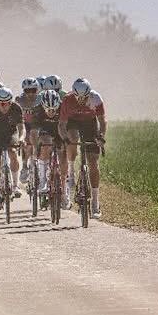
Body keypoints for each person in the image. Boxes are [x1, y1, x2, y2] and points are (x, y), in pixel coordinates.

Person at [58, 78, 106, 217]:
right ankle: (71, 170)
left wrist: (101, 136)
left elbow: (102, 121)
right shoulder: (67, 100)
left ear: (89, 94)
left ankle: (95, 202)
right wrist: (65, 139)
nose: (81, 100)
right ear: (73, 94)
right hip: (73, 123)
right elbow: (62, 124)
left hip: (90, 124)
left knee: (93, 162)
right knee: (72, 139)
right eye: (78, 97)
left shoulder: (96, 98)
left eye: (84, 97)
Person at [29, 89, 68, 204]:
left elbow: (68, 127)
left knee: (63, 155)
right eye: (48, 110)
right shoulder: (38, 110)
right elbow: (33, 132)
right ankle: (42, 181)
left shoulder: (63, 109)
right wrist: (35, 148)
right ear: (43, 106)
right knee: (45, 144)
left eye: (54, 110)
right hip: (45, 132)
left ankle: (64, 188)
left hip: (59, 132)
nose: (51, 112)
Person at [15, 77, 41, 183]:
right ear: (23, 91)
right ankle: (25, 166)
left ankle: (38, 162)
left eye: (33, 90)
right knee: (27, 143)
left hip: (37, 123)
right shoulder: (19, 100)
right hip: (25, 124)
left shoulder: (41, 99)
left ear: (37, 90)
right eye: (27, 91)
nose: (30, 93)